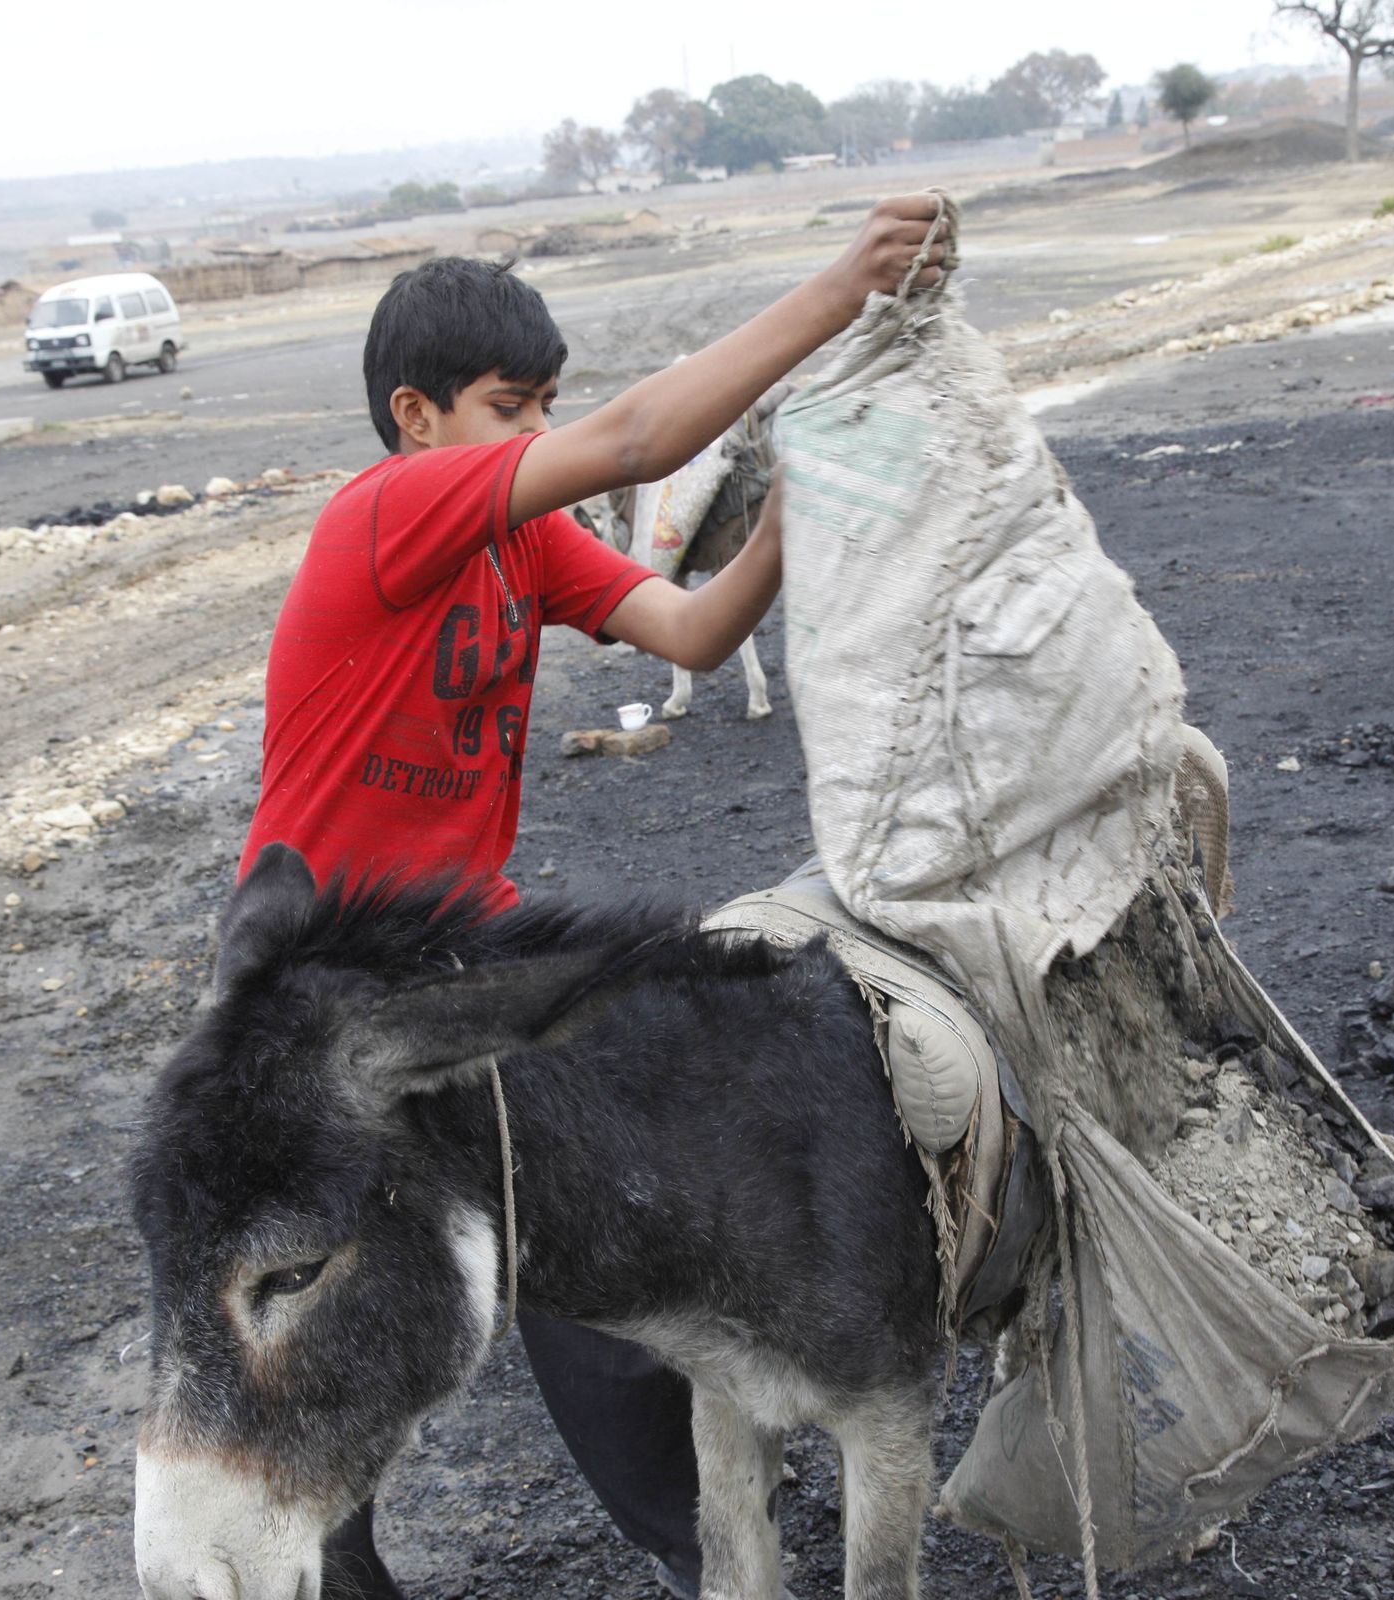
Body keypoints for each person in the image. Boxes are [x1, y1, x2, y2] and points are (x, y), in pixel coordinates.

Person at [235, 196, 953, 1600]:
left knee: (607, 1248)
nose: (539, 434)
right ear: (416, 415)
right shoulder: (384, 514)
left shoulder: (524, 544)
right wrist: (843, 288)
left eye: (547, 404)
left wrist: (789, 517)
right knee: (326, 1318)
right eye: (514, 407)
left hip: (469, 968)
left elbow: (691, 629)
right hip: (318, 982)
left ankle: (697, 1550)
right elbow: (638, 445)